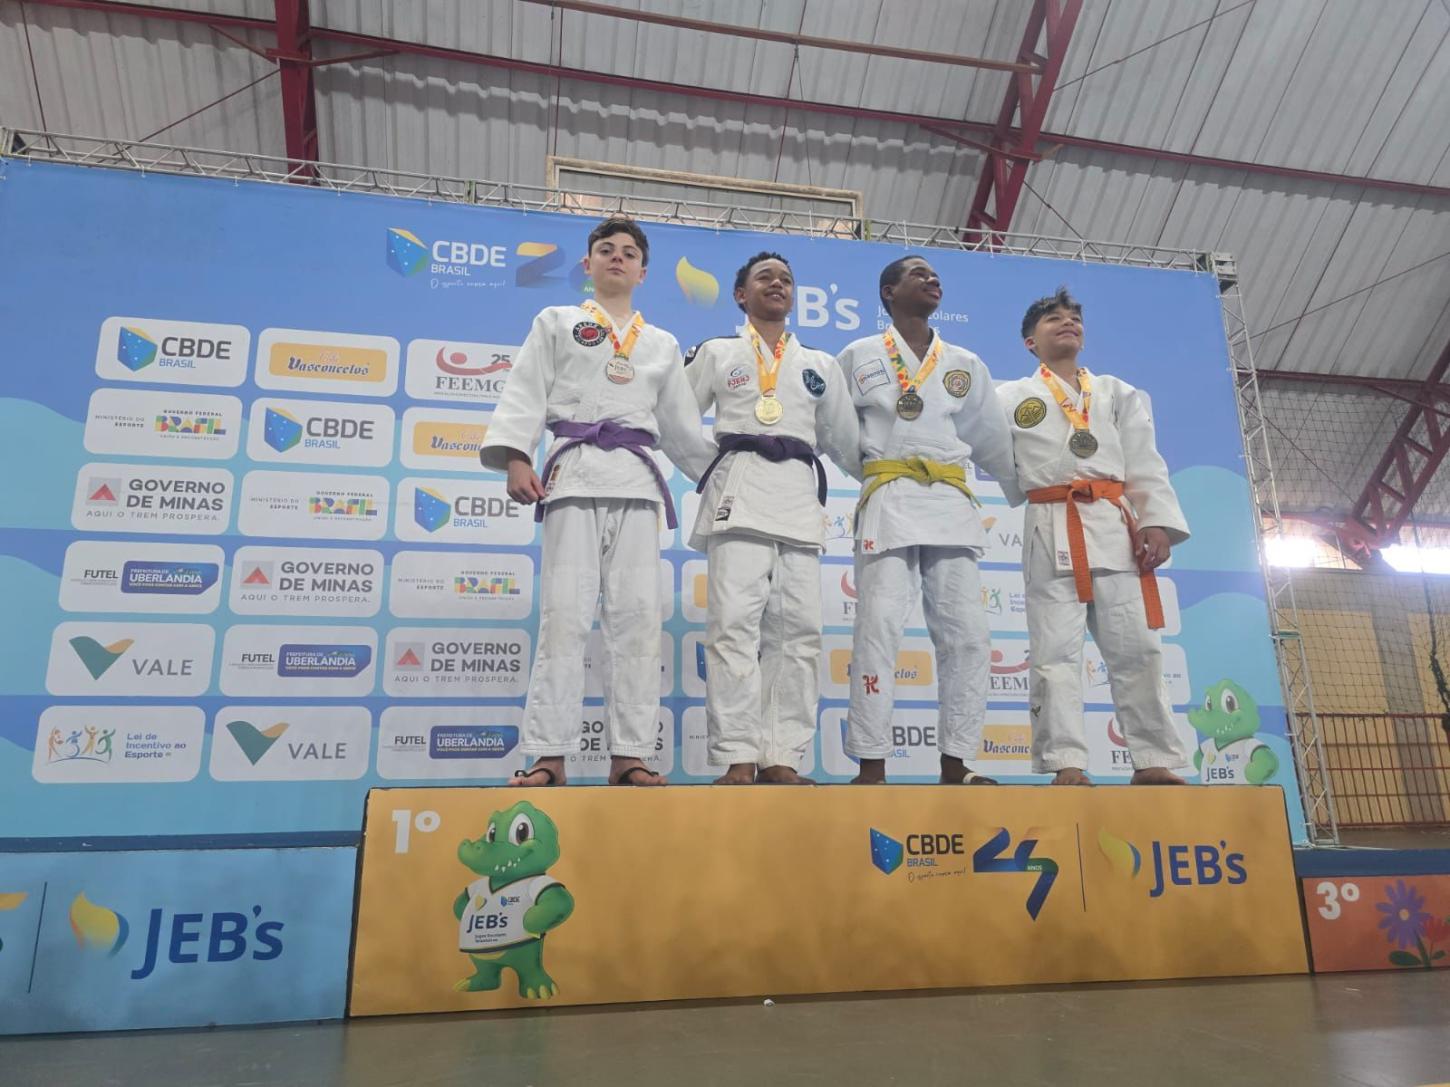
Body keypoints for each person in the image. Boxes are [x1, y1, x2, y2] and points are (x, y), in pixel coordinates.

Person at [479, 216, 715, 787]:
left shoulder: (661, 344)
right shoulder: (556, 321)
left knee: (637, 621)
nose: (617, 257)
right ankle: (547, 755)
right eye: (606, 249)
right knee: (563, 617)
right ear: (588, 265)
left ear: (642, 272)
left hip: (635, 482)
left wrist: (727, 477)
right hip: (574, 476)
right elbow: (526, 389)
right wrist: (516, 456)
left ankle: (630, 754)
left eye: (629, 252)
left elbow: (682, 428)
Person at [837, 255, 1022, 785]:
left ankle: (957, 763)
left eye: (935, 275)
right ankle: (871, 763)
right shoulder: (858, 355)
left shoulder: (964, 362)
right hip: (890, 495)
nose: (932, 279)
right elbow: (837, 429)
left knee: (969, 635)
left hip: (949, 501)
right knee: (877, 629)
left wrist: (1027, 487)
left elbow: (991, 437)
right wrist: (873, 469)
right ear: (889, 292)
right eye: (918, 274)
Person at [995, 287, 1190, 786]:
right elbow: (994, 456)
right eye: (1053, 319)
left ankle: (1154, 760)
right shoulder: (1008, 397)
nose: (1068, 323)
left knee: (1138, 650)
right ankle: (1066, 762)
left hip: (1113, 527)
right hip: (1050, 524)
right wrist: (1029, 485)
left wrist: (1155, 521)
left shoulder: (1116, 392)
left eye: (1074, 318)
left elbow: (1145, 460)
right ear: (1029, 342)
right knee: (1053, 655)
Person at [684, 252, 861, 784]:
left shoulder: (819, 365)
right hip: (740, 496)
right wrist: (715, 467)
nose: (778, 284)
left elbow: (844, 440)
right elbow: (674, 418)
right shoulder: (717, 353)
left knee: (799, 633)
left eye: (786, 279)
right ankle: (739, 754)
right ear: (741, 294)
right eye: (765, 277)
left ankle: (781, 755)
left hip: (798, 501)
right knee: (733, 628)